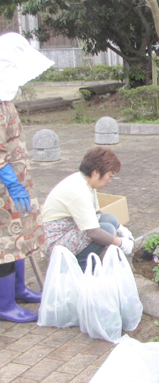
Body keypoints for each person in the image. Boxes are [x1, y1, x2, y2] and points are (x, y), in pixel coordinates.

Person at [0, 32, 53, 323]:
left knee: (19, 236)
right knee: (6, 243)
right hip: (4, 187)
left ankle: (19, 290)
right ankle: (5, 303)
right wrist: (10, 180)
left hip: (17, 183)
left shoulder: (5, 98)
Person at [42, 147, 135, 272]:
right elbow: (93, 232)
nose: (110, 180)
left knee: (110, 220)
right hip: (56, 240)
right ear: (96, 172)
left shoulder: (86, 182)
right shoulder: (79, 191)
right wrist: (120, 242)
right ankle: (79, 267)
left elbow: (97, 212)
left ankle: (87, 258)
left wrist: (120, 228)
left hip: (70, 227)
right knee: (106, 230)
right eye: (109, 175)